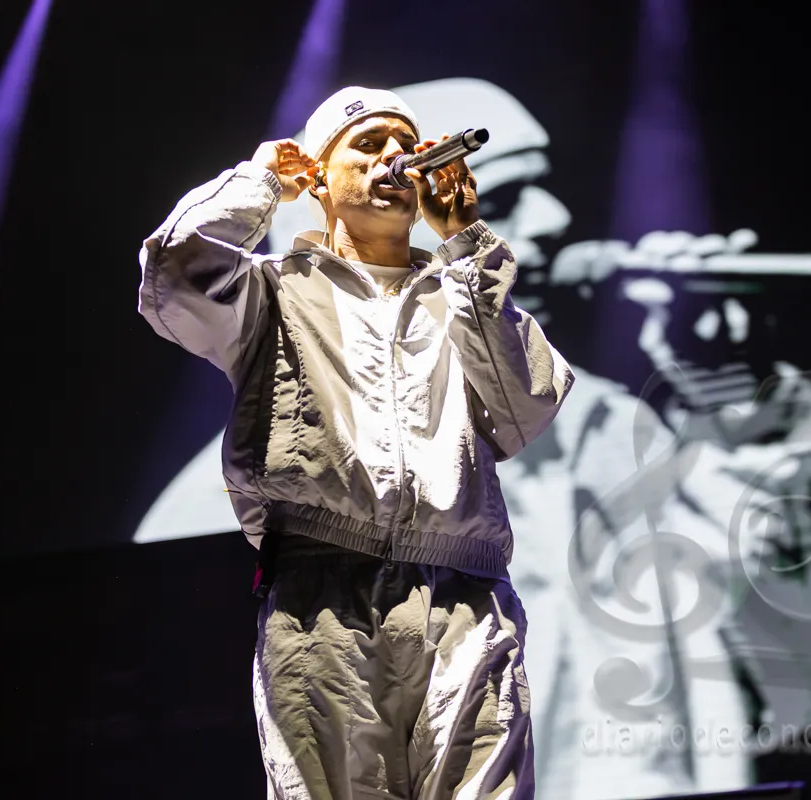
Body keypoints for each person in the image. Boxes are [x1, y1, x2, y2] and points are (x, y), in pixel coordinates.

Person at [137, 85, 574, 799]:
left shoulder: (460, 292)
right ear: (319, 180)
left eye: (405, 144)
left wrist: (467, 244)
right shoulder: (272, 291)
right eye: (369, 145)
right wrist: (260, 183)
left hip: (464, 596)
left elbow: (524, 410)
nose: (395, 156)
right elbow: (174, 276)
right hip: (322, 596)